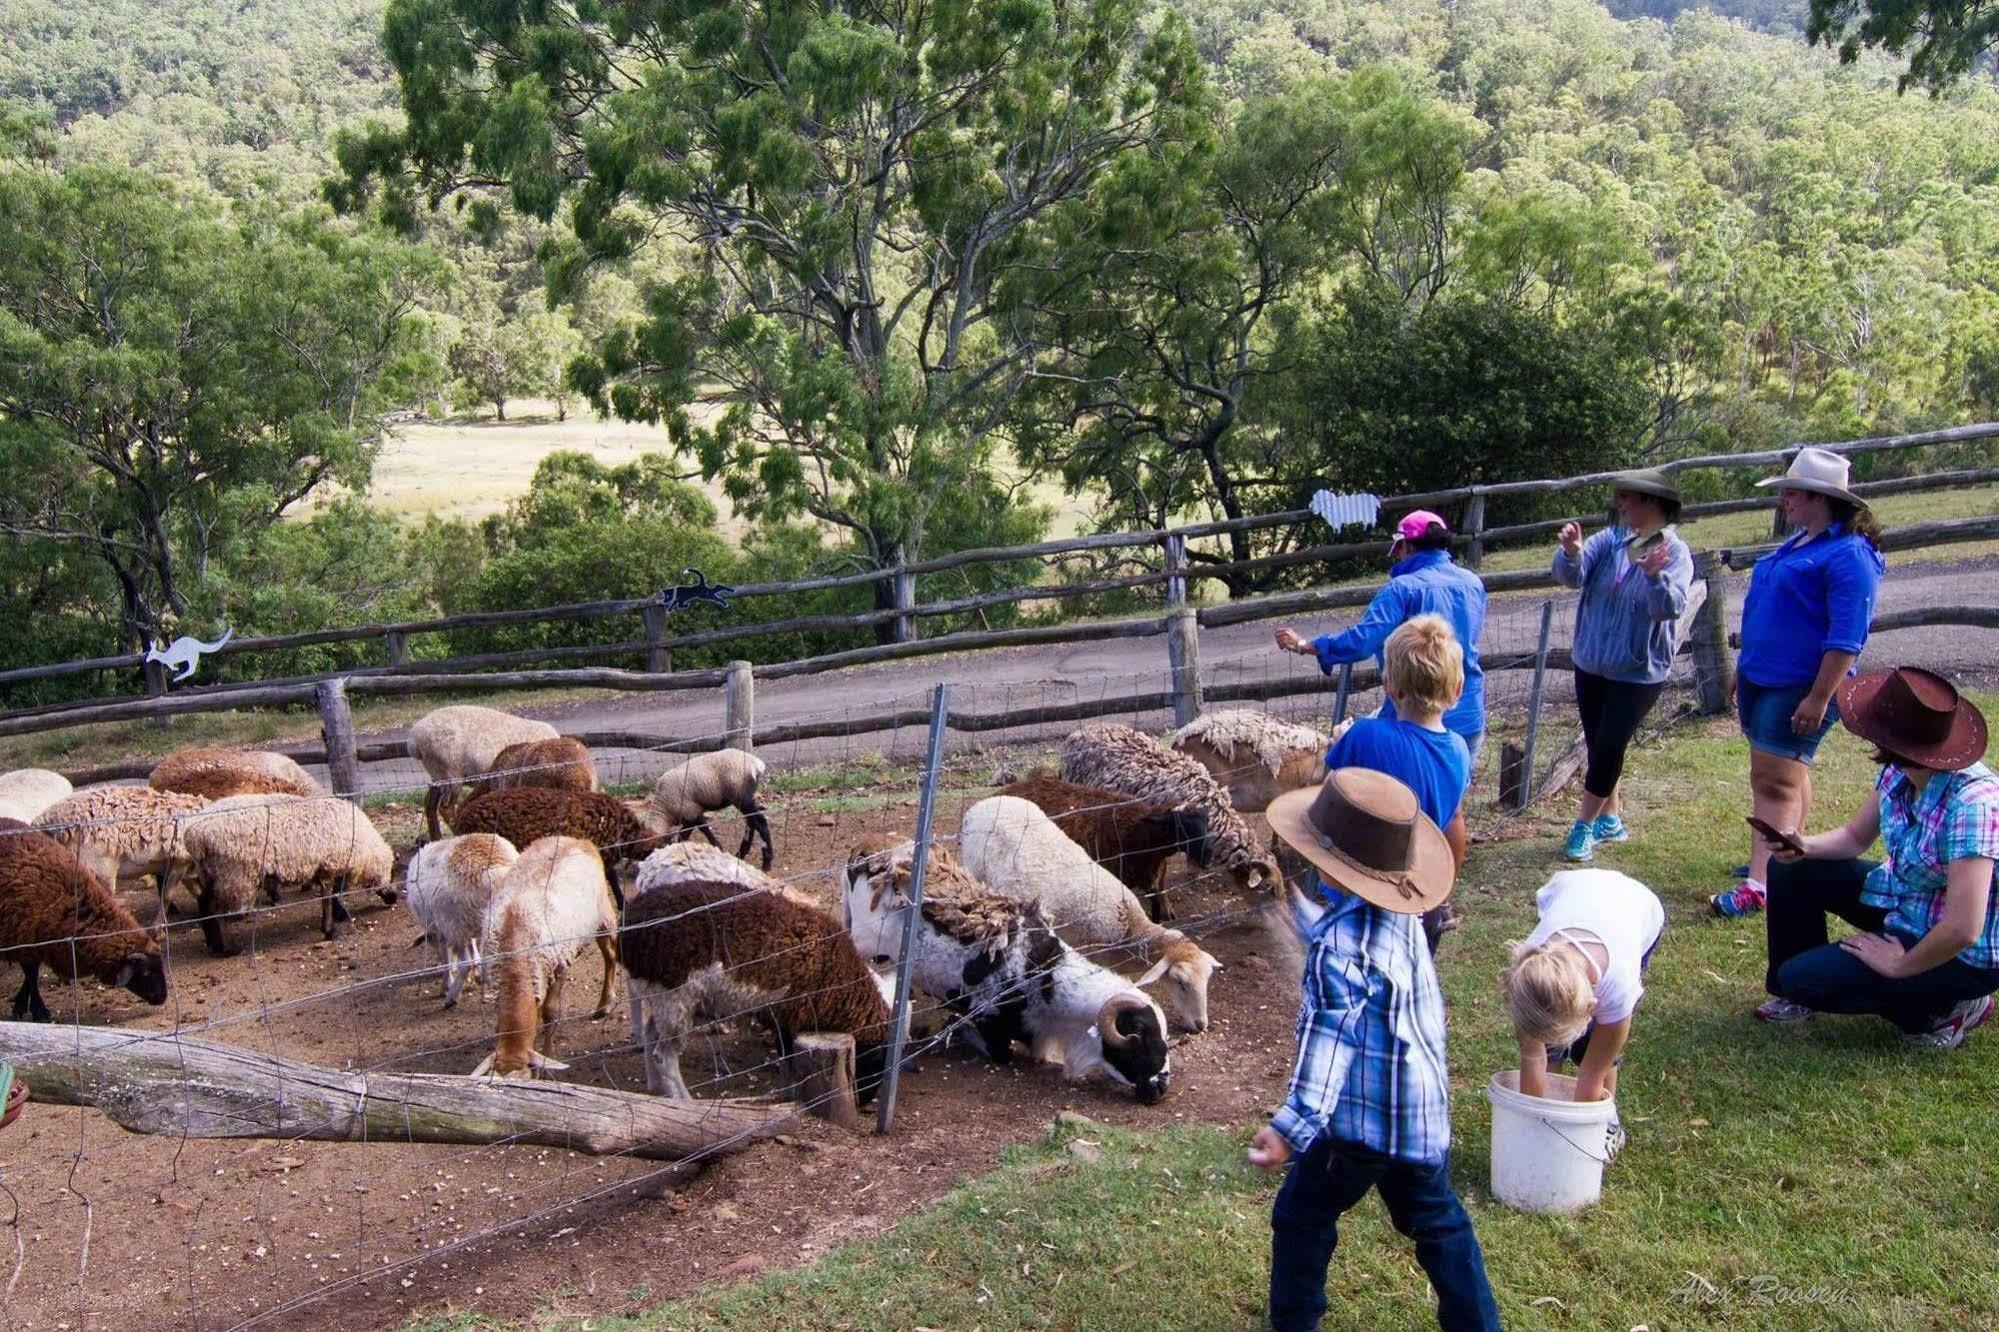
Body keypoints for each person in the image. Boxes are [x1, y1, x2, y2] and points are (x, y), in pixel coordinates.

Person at [1251, 767, 1501, 1332]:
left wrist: (1289, 1129)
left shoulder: (1336, 951)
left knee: (1302, 1215)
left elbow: (1329, 1043)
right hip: (1417, 1115)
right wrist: (1305, 920)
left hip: (1358, 1126)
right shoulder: (1403, 912)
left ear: (1324, 859)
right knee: (1440, 1225)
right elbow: (1365, 955)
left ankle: (1295, 1323)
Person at [1754, 666, 1999, 1048]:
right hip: (1909, 903)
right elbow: (1854, 837)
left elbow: (1964, 928)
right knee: (1792, 870)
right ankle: (1795, 999)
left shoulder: (1974, 804)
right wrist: (1803, 845)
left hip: (1962, 953)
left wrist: (1898, 964)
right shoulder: (1900, 772)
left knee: (1806, 978)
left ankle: (1945, 1011)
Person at [1711, 447, 1885, 919]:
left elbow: (1847, 638)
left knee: (1772, 783)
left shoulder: (1850, 555)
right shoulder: (1799, 543)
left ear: (1822, 498)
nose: (1784, 498)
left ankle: (1762, 883)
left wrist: (1818, 696)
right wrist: (1744, 670)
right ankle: (1785, 853)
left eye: (1794, 492)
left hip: (1799, 684)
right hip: (1763, 678)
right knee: (1788, 773)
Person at [1552, 469, 1694, 862]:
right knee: (1600, 744)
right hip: (1592, 662)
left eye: (1627, 496)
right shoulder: (1609, 540)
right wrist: (1571, 552)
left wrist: (1654, 576)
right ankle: (1610, 819)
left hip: (1638, 670)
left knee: (1610, 744)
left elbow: (1670, 608)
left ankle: (1583, 827)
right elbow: (1572, 577)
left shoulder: (1675, 552)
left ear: (1651, 502)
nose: (1619, 503)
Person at [1275, 509, 1488, 769]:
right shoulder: (1473, 583)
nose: (1396, 554)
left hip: (1413, 719)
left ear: (1408, 545)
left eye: (1398, 547)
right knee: (1449, 800)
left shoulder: (1402, 589)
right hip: (1467, 711)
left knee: (1400, 800)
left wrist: (1307, 646)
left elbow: (1363, 641)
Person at [1322, 614, 1470, 951]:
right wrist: (1441, 893)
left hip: (1360, 891)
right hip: (1418, 899)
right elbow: (1455, 822)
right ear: (1458, 687)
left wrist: (1339, 743)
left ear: (1387, 683)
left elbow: (1327, 797)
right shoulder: (1459, 750)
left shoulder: (1364, 735)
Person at [1501, 868, 1665, 1152]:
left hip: (1637, 906)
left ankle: (1606, 1124)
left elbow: (1592, 1074)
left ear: (1592, 1006)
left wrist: (1577, 1145)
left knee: (1594, 1052)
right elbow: (1532, 1056)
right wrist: (1534, 1129)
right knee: (1548, 1049)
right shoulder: (1528, 979)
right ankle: (1550, 1109)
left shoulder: (1618, 986)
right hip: (1571, 889)